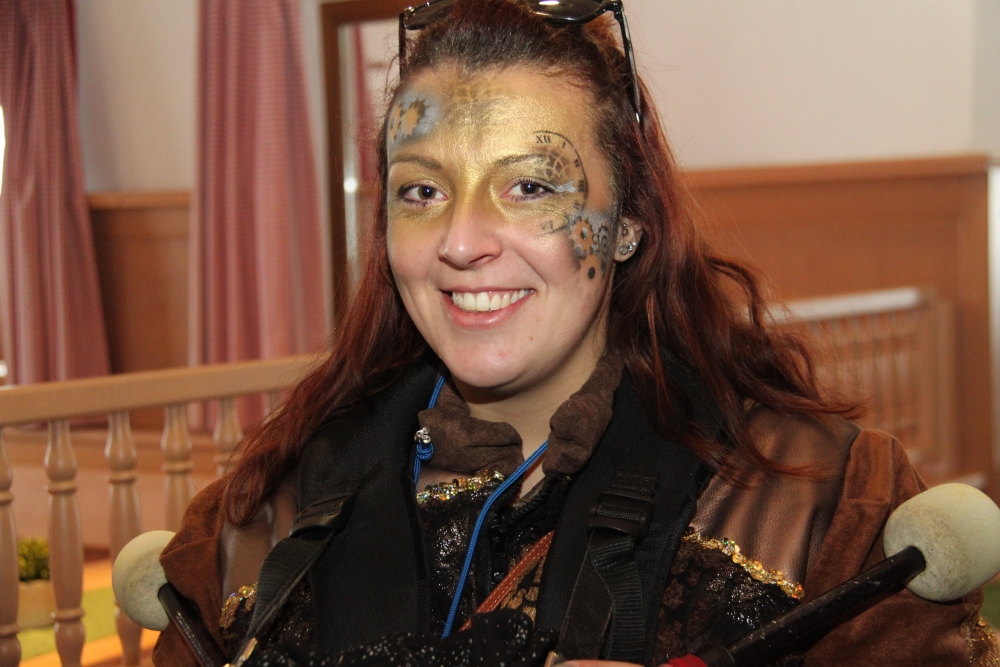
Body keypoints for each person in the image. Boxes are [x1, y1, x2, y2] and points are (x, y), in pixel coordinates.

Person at [153, 1, 999, 665]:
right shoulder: (255, 523)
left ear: (627, 221)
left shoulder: (820, 509)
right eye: (422, 192)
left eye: (529, 187)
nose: (460, 240)